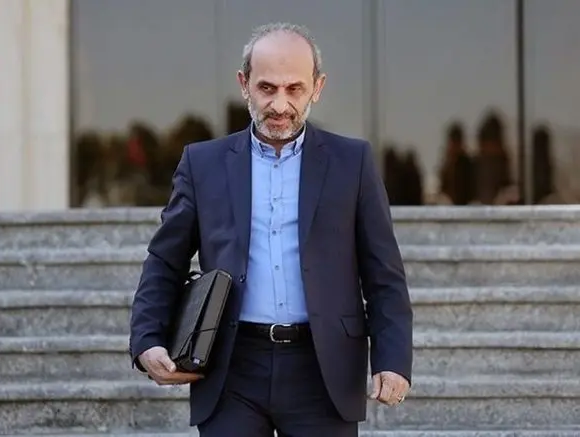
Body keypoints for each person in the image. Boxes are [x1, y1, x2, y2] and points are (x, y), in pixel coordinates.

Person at [129, 22, 413, 437]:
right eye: (267, 88)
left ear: (317, 87)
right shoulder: (202, 164)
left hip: (324, 371)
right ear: (244, 84)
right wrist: (146, 340)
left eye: (294, 89)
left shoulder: (352, 163)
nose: (280, 104)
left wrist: (392, 359)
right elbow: (164, 260)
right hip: (231, 368)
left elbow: (383, 273)